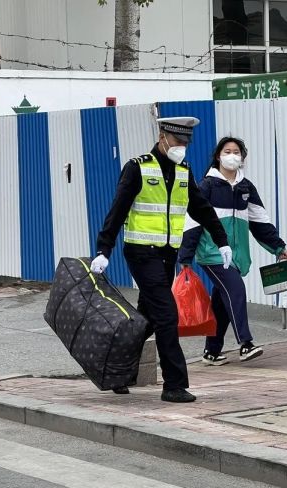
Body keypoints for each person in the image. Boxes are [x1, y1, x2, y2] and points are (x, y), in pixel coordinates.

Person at [90, 117, 232, 403]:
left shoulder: (183, 170)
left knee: (148, 318)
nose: (182, 148)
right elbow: (117, 211)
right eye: (178, 142)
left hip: (168, 255)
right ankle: (174, 385)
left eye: (186, 143)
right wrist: (104, 250)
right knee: (167, 315)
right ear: (162, 137)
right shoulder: (138, 167)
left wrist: (222, 241)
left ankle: (115, 371)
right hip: (142, 252)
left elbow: (201, 208)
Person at [178, 136, 287, 366]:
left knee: (222, 300)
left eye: (237, 152)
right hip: (212, 253)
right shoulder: (206, 186)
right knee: (235, 289)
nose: (232, 156)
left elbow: (259, 221)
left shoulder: (246, 187)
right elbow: (192, 222)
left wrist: (278, 246)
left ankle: (212, 351)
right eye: (227, 151)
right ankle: (245, 343)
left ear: (242, 158)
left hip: (237, 256)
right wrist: (185, 256)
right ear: (218, 156)